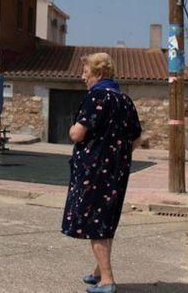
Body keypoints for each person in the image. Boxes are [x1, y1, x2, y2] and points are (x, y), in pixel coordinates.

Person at [62, 52, 142, 293]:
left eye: (85, 72)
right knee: (105, 220)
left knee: (95, 223)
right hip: (117, 172)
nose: (83, 77)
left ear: (98, 73)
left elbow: (77, 134)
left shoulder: (96, 97)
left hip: (94, 171)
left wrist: (74, 129)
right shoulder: (125, 100)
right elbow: (136, 139)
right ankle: (99, 271)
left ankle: (107, 280)